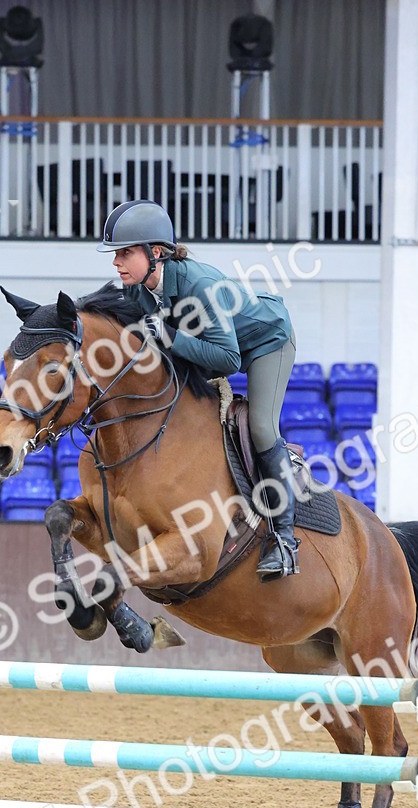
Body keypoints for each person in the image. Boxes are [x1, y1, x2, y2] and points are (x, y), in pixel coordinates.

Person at [97, 199, 299, 579]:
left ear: (155, 253)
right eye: (116, 254)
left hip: (266, 342)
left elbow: (228, 359)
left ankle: (284, 541)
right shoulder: (137, 290)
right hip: (213, 344)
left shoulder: (199, 285)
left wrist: (170, 337)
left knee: (260, 427)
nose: (116, 262)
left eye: (125, 253)